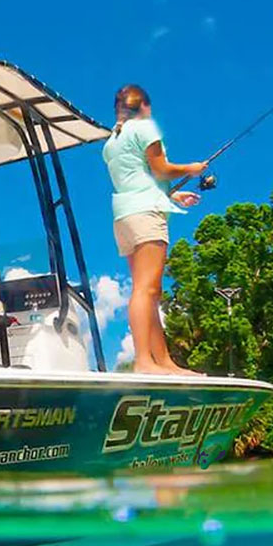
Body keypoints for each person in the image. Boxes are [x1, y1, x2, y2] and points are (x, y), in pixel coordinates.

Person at [102, 84, 208, 376]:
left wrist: (172, 196)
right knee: (145, 289)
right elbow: (160, 170)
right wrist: (192, 168)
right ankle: (144, 362)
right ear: (145, 106)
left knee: (150, 290)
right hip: (145, 215)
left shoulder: (112, 142)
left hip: (125, 216)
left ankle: (163, 362)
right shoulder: (145, 128)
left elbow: (138, 179)